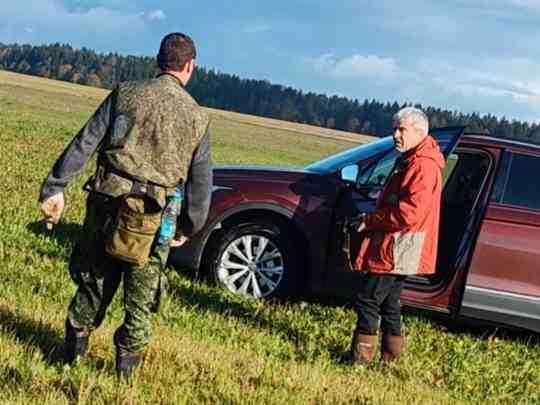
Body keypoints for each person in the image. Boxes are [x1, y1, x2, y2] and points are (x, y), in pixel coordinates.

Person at [39, 32, 212, 378]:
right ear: (190, 65)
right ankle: (124, 374)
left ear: (158, 60)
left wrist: (55, 186)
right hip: (157, 216)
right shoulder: (198, 117)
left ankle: (69, 359)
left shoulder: (126, 92)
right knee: (142, 297)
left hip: (108, 201)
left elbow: (86, 141)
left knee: (93, 279)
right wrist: (189, 226)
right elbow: (200, 181)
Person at [347, 107, 444, 365]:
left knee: (368, 298)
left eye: (401, 129)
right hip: (401, 243)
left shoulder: (422, 165)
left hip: (399, 243)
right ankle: (390, 361)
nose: (395, 135)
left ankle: (360, 360)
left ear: (419, 132)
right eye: (394, 129)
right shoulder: (414, 159)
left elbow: (408, 214)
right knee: (389, 301)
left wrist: (369, 221)